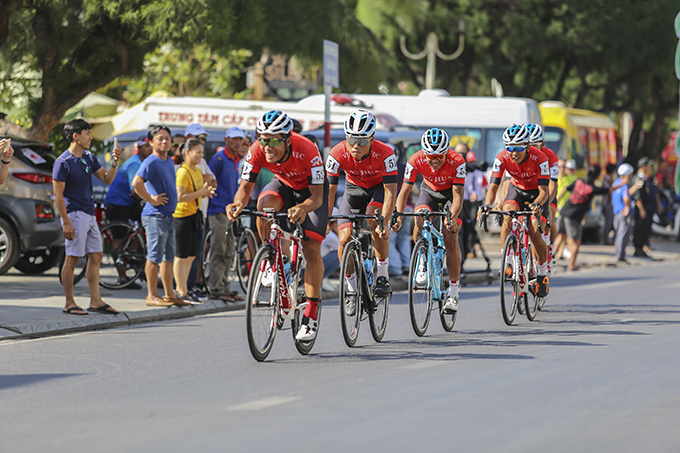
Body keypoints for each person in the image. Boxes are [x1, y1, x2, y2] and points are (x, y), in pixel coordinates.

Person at [226, 110, 328, 342]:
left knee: (311, 249)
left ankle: (310, 317)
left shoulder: (308, 150)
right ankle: (273, 258)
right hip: (284, 184)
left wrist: (303, 208)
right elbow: (244, 188)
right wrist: (237, 204)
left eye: (273, 140)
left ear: (288, 139)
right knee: (264, 205)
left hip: (310, 194)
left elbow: (318, 198)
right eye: (262, 139)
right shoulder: (257, 150)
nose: (267, 146)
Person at [53, 119, 123, 315]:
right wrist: (66, 221)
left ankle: (96, 301)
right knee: (73, 258)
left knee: (97, 255)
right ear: (76, 136)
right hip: (74, 214)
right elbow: (58, 195)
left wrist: (115, 162)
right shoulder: (62, 162)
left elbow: (107, 179)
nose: (91, 137)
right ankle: (69, 303)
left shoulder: (89, 157)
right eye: (87, 133)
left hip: (89, 213)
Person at [392, 128, 466, 313]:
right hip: (429, 192)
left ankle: (454, 293)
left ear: (446, 152)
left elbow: (457, 196)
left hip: (450, 194)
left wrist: (453, 217)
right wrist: (398, 215)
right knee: (420, 216)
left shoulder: (457, 161)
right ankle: (422, 260)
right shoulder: (415, 159)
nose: (434, 160)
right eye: (430, 156)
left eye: (439, 156)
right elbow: (404, 191)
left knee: (450, 235)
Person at [326, 109, 397, 297]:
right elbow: (330, 192)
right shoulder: (336, 153)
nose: (356, 145)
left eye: (363, 141)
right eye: (351, 139)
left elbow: (391, 192)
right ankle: (351, 288)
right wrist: (325, 220)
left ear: (372, 139)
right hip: (353, 191)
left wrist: (385, 221)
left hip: (378, 190)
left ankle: (382, 274)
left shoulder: (386, 153)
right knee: (344, 238)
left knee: (375, 220)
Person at [479, 124, 551, 298]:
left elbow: (544, 191)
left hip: (536, 193)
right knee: (507, 214)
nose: (514, 152)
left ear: (527, 146)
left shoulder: (540, 158)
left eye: (518, 148)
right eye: (510, 148)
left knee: (534, 232)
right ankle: (508, 262)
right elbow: (494, 186)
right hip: (517, 190)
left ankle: (542, 274)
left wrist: (538, 205)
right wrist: (487, 205)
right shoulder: (501, 158)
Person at [132, 125, 180, 307]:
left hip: (168, 216)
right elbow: (136, 183)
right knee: (154, 256)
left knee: (168, 258)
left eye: (167, 138)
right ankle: (151, 296)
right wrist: (151, 199)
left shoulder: (168, 160)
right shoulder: (151, 161)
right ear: (151, 142)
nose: (164, 141)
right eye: (160, 138)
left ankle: (169, 294)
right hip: (155, 216)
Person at [103, 136, 152, 289]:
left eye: (151, 146)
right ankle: (122, 276)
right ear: (140, 148)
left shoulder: (146, 162)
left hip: (129, 202)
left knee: (146, 223)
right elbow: (135, 188)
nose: (149, 149)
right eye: (146, 146)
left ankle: (131, 251)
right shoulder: (135, 163)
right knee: (119, 236)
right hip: (117, 203)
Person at [173, 138, 216, 303]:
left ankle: (185, 289)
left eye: (202, 153)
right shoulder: (183, 172)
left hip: (195, 215)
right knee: (181, 255)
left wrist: (206, 192)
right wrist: (201, 193)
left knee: (191, 256)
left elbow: (200, 190)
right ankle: (181, 291)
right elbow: (180, 197)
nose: (201, 156)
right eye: (198, 152)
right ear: (188, 152)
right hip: (182, 217)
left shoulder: (196, 170)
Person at [207, 126, 245, 302]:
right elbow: (208, 180)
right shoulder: (219, 158)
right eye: (234, 139)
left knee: (229, 251)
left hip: (232, 212)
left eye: (240, 139)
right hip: (219, 210)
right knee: (219, 250)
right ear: (227, 140)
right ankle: (215, 288)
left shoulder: (236, 159)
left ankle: (224, 286)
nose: (237, 142)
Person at [554, 166, 610, 271]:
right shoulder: (593, 189)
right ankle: (571, 265)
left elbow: (565, 189)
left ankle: (549, 263)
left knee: (560, 236)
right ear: (597, 176)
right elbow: (606, 190)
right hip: (574, 216)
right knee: (576, 242)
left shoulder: (578, 181)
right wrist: (605, 179)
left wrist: (555, 202)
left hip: (564, 211)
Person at [184, 123, 217, 297]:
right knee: (184, 255)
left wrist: (206, 180)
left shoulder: (202, 160)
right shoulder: (180, 161)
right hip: (185, 215)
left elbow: (213, 181)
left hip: (200, 213)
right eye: (198, 139)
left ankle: (191, 288)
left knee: (196, 254)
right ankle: (183, 289)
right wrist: (204, 183)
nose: (202, 142)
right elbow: (201, 183)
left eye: (203, 139)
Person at [525, 124, 559, 269]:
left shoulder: (551, 156)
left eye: (534, 145)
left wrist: (546, 202)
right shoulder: (522, 154)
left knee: (549, 213)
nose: (530, 148)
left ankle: (549, 245)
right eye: (528, 145)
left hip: (545, 191)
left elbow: (553, 184)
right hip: (527, 190)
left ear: (542, 144)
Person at [462, 150, 487, 258]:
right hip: (466, 201)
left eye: (474, 161)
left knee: (472, 224)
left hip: (477, 202)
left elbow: (486, 186)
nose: (472, 164)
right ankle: (466, 249)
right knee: (465, 226)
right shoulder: (465, 172)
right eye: (470, 162)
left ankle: (471, 249)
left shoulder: (479, 173)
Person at [630, 157, 655, 258]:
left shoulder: (645, 178)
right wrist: (642, 209)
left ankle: (642, 248)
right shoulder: (639, 178)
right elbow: (637, 196)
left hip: (646, 207)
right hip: (641, 208)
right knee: (639, 228)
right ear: (644, 167)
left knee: (644, 228)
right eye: (648, 166)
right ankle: (638, 249)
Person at [612, 163, 634, 262]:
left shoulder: (615, 183)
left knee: (618, 235)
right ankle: (620, 256)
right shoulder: (624, 185)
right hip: (623, 213)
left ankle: (619, 254)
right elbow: (626, 198)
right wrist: (627, 208)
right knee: (623, 235)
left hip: (616, 213)